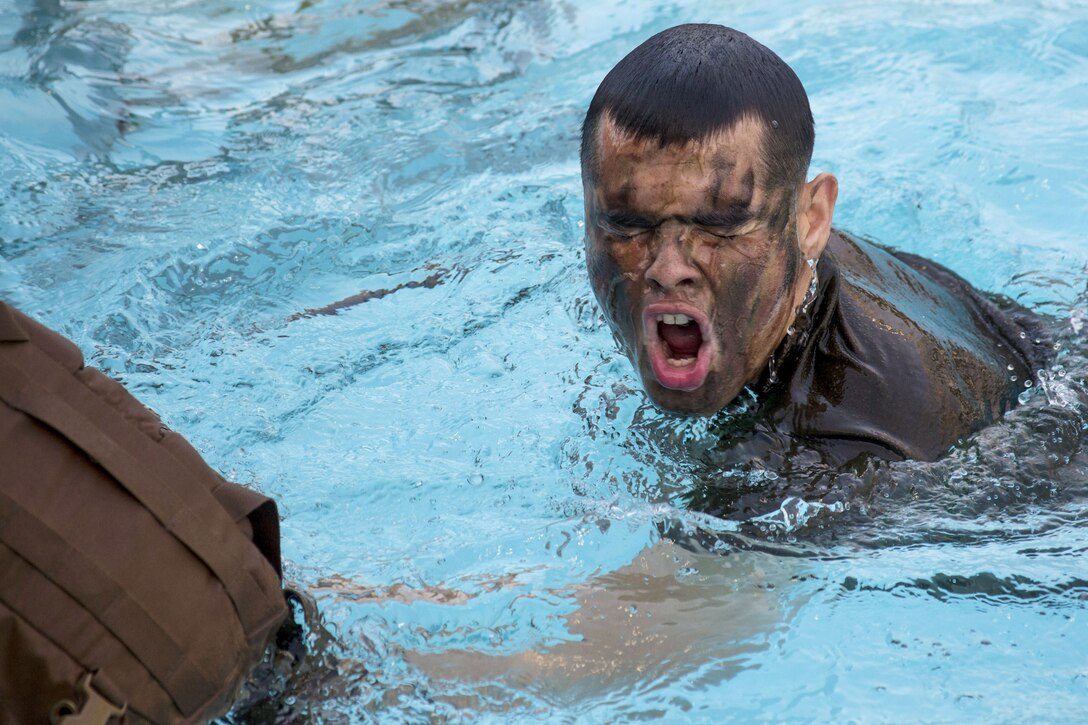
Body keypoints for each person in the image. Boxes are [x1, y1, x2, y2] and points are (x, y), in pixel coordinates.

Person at [581, 23, 1051, 468]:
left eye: (720, 224)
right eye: (627, 222)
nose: (668, 267)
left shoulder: (852, 442)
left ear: (812, 220)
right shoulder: (774, 249)